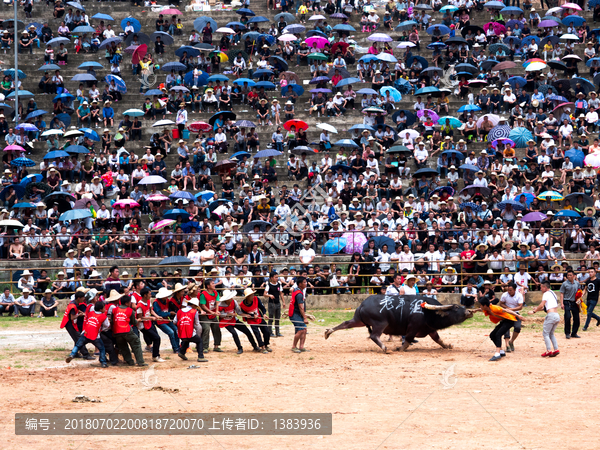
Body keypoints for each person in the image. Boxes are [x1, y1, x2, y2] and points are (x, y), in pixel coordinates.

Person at [474, 297, 523, 361]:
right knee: (492, 335)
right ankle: (501, 352)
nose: (480, 306)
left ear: (485, 305)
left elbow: (507, 310)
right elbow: (481, 309)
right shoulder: (486, 308)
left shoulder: (495, 308)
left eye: (480, 305)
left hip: (509, 321)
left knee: (498, 334)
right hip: (504, 321)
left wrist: (518, 316)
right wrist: (476, 310)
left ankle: (497, 354)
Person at [66, 300, 109, 368]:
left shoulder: (90, 313)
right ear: (101, 309)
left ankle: (72, 354)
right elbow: (107, 326)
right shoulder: (103, 316)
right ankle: (103, 362)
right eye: (104, 308)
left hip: (86, 333)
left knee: (78, 345)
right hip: (95, 336)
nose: (105, 309)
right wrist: (102, 329)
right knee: (102, 348)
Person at [217, 289, 259, 354]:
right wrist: (229, 314)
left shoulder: (234, 302)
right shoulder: (221, 305)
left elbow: (238, 312)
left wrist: (246, 315)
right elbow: (220, 315)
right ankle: (240, 348)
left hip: (234, 320)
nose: (231, 298)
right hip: (225, 322)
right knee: (234, 333)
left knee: (247, 331)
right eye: (230, 297)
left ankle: (255, 346)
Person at [111, 293, 147, 366]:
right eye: (130, 302)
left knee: (123, 346)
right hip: (126, 330)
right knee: (136, 342)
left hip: (117, 332)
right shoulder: (130, 310)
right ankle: (140, 361)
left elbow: (112, 321)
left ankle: (129, 361)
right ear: (127, 303)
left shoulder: (115, 310)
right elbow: (134, 322)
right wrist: (139, 320)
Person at [529, 281, 560, 357]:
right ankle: (556, 349)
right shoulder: (553, 293)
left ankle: (548, 350)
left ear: (545, 287)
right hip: (556, 315)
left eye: (541, 287)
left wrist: (534, 311)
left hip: (551, 316)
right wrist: (537, 309)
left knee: (546, 333)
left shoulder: (546, 294)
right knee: (551, 333)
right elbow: (546, 308)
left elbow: (542, 304)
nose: (540, 289)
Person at [59, 291, 93, 360]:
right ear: (78, 298)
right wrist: (79, 315)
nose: (84, 298)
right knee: (79, 339)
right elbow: (72, 317)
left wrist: (81, 313)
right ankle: (86, 354)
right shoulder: (73, 306)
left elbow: (76, 311)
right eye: (83, 297)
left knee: (77, 339)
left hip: (70, 324)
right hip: (70, 324)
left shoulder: (74, 303)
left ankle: (76, 353)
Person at [174, 297, 208, 363]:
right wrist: (198, 333)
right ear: (194, 305)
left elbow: (174, 322)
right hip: (189, 332)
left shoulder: (179, 311)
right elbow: (197, 325)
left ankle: (182, 352)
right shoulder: (194, 312)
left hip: (181, 333)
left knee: (187, 339)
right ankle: (201, 357)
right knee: (199, 341)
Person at [136, 287, 165, 363]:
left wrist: (156, 316)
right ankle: (155, 356)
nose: (151, 295)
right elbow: (140, 318)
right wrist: (151, 318)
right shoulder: (139, 305)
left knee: (156, 338)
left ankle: (156, 355)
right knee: (156, 338)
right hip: (143, 326)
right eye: (149, 294)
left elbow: (150, 310)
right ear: (145, 295)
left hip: (148, 323)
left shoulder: (148, 301)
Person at [239, 287, 272, 353]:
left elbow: (262, 308)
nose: (253, 296)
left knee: (266, 331)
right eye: (251, 295)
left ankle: (266, 345)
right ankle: (262, 347)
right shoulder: (242, 305)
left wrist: (264, 314)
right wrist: (252, 316)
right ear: (247, 297)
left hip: (259, 318)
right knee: (257, 333)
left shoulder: (256, 299)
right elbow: (244, 315)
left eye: (253, 294)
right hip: (251, 321)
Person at [199, 278, 223, 353]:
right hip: (205, 315)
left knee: (217, 329)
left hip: (213, 314)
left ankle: (216, 346)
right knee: (206, 329)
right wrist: (211, 312)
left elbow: (217, 302)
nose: (214, 284)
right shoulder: (203, 294)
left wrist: (216, 311)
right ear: (208, 286)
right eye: (212, 283)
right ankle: (205, 347)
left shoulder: (216, 293)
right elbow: (203, 305)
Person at [498, 283, 524, 353]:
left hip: (516, 313)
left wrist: (511, 310)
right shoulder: (505, 295)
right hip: (506, 313)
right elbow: (501, 304)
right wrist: (507, 309)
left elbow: (520, 306)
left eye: (511, 290)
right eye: (508, 290)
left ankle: (511, 341)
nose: (509, 291)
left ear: (515, 290)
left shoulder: (519, 295)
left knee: (518, 327)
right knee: (506, 327)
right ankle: (507, 345)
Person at [290, 277, 310, 353]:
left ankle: (301, 347)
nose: (306, 283)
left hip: (297, 313)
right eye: (304, 282)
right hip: (294, 314)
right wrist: (305, 318)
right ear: (300, 284)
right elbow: (301, 307)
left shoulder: (297, 291)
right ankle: (294, 346)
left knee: (304, 329)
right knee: (301, 329)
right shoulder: (299, 294)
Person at [560, 270, 581, 339]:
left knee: (577, 318)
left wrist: (580, 300)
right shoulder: (564, 284)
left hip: (575, 303)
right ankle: (567, 333)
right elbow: (562, 294)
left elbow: (579, 292)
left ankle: (574, 333)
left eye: (570, 275)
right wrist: (562, 303)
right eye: (568, 275)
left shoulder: (577, 283)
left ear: (574, 276)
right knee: (567, 317)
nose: (569, 276)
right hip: (567, 302)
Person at [265, 271, 285, 337]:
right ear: (271, 278)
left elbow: (281, 294)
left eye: (277, 277)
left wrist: (283, 302)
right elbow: (264, 294)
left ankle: (277, 332)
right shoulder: (269, 285)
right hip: (271, 303)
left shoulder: (279, 284)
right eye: (275, 277)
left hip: (277, 303)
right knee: (271, 318)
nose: (277, 278)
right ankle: (270, 332)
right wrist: (269, 295)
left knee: (277, 318)